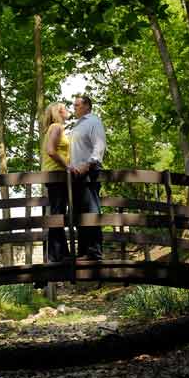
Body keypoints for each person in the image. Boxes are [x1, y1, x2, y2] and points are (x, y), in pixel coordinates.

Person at [70, 94, 107, 261]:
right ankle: (83, 251)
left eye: (77, 105)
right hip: (76, 175)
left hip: (89, 172)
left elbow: (99, 145)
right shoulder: (77, 125)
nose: (74, 108)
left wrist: (89, 164)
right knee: (79, 213)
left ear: (86, 106)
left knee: (91, 211)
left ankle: (94, 252)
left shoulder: (93, 121)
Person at [41, 101, 72, 263]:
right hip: (57, 175)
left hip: (55, 176)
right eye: (65, 109)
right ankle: (56, 255)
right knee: (58, 214)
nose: (68, 110)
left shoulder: (55, 128)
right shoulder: (57, 127)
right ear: (59, 112)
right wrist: (68, 166)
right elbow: (51, 151)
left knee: (57, 213)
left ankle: (60, 253)